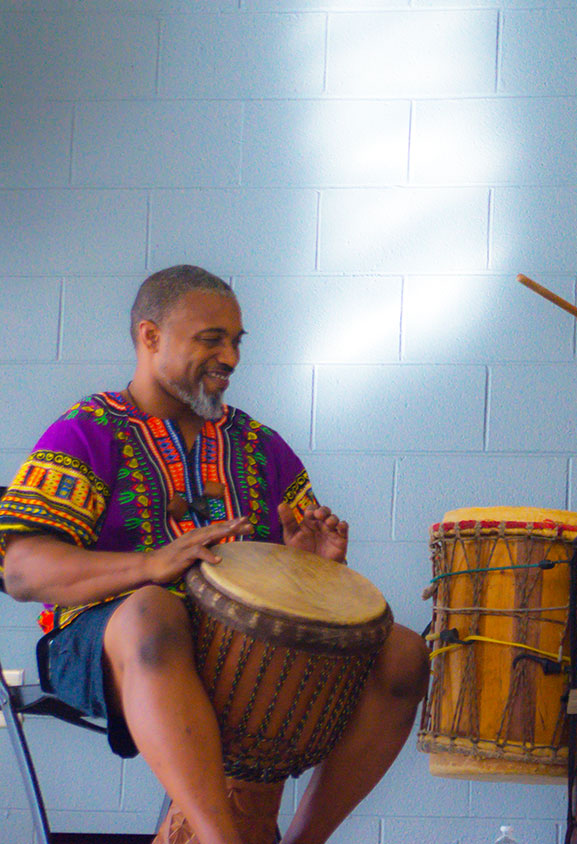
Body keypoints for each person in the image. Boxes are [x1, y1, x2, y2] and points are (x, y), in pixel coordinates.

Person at [0, 267, 429, 844]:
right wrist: (149, 566)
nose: (229, 356)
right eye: (211, 338)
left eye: (235, 341)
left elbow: (294, 588)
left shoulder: (260, 446)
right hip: (110, 642)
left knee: (402, 651)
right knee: (155, 608)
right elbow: (22, 570)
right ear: (150, 337)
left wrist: (308, 567)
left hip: (241, 652)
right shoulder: (88, 431)